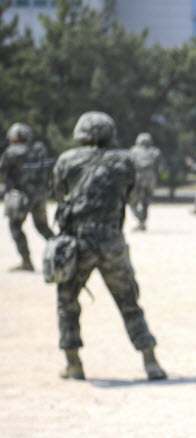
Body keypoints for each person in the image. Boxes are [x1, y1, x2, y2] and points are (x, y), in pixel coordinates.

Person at [51, 111, 166, 381]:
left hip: (78, 243)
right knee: (129, 302)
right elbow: (130, 195)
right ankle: (150, 360)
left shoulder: (67, 159)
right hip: (112, 241)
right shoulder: (125, 160)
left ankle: (74, 363)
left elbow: (57, 193)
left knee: (67, 303)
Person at [1, 122, 54, 271]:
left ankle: (26, 262)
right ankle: (64, 253)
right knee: (43, 227)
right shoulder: (39, 149)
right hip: (41, 195)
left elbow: (2, 173)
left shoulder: (11, 152)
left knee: (15, 227)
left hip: (20, 197)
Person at [127, 132, 162, 231]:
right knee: (146, 201)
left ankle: (140, 219)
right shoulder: (155, 151)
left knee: (132, 200)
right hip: (150, 176)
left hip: (138, 176)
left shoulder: (133, 151)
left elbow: (130, 165)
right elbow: (157, 166)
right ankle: (142, 221)